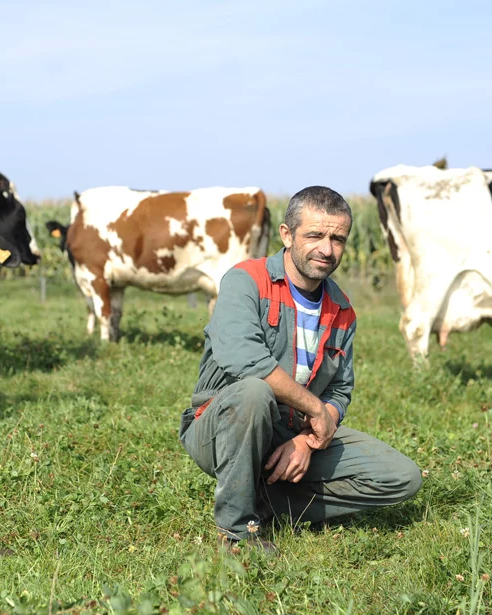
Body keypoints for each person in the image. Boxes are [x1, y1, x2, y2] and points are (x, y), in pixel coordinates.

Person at [179, 186, 422, 554]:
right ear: (287, 235)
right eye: (315, 235)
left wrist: (308, 440)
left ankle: (265, 501)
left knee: (402, 478)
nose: (327, 248)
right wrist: (315, 411)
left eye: (338, 238)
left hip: (292, 431)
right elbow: (248, 363)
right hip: (220, 423)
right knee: (254, 392)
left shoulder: (342, 309)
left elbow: (340, 391)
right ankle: (237, 533)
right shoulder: (246, 280)